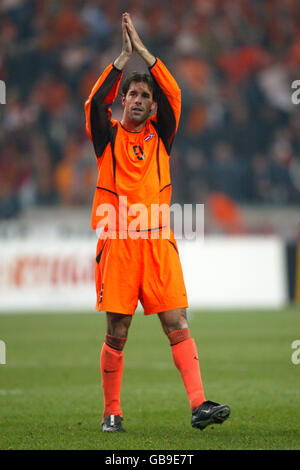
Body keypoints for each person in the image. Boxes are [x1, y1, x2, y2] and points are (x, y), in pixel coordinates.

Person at [85, 12, 230, 432]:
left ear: (151, 108)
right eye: (131, 95)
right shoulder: (107, 136)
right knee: (118, 329)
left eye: (145, 97)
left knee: (177, 321)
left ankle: (199, 405)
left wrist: (146, 55)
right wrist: (120, 61)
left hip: (159, 241)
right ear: (123, 100)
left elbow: (175, 92)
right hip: (119, 241)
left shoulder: (160, 136)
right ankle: (112, 412)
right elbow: (94, 103)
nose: (137, 100)